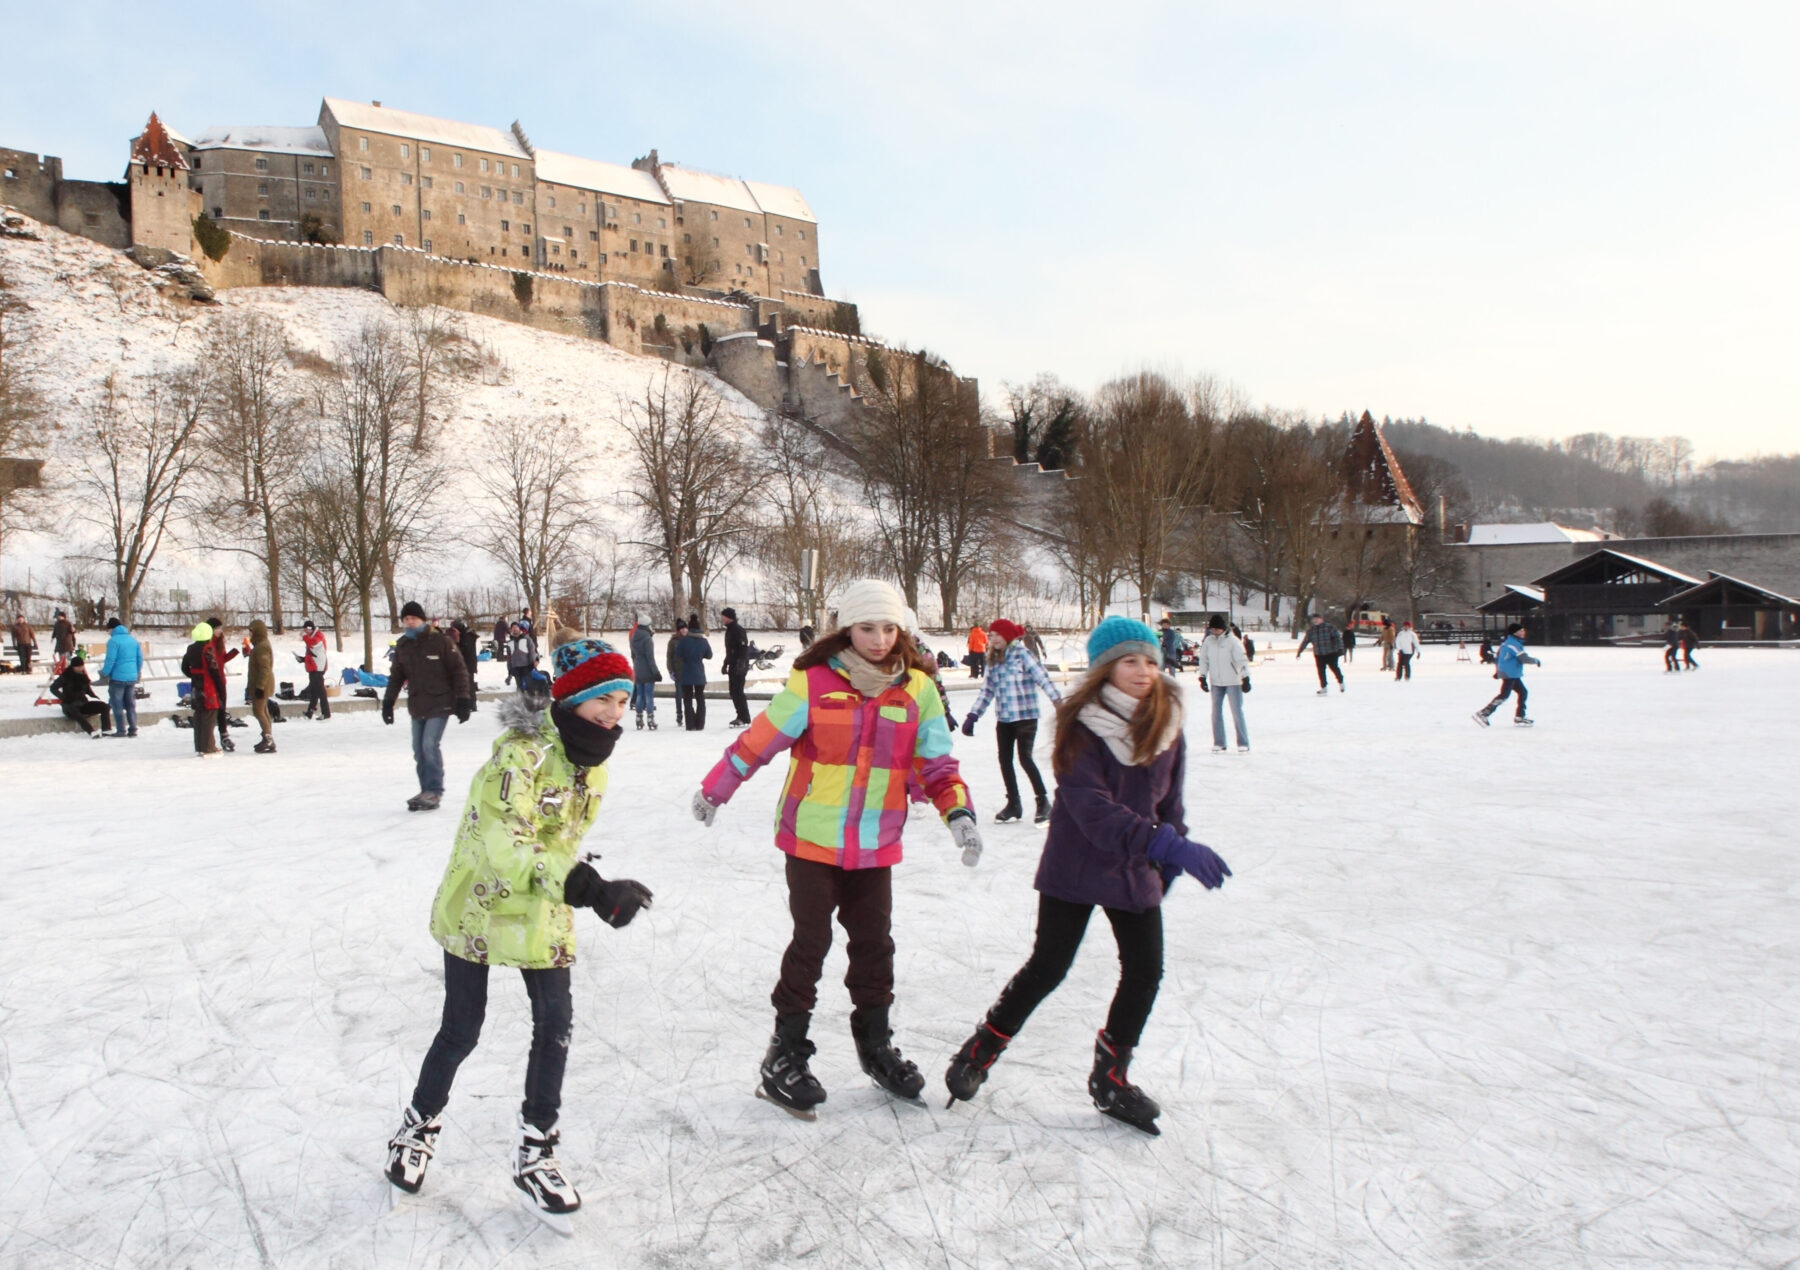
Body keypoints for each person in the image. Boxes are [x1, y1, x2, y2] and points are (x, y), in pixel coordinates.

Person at [384, 638, 654, 1223]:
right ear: (574, 696)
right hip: (481, 901)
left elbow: (557, 843)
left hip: (541, 901)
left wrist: (584, 886)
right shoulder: (519, 756)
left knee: (555, 1025)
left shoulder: (594, 765)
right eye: (604, 698)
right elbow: (504, 840)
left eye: (623, 701)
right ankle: (416, 1127)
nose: (614, 712)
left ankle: (536, 1148)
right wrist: (586, 885)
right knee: (461, 1030)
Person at [692, 578, 982, 1120]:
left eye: (889, 628)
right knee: (813, 940)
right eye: (867, 627)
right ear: (847, 628)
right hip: (812, 838)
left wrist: (957, 812)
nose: (878, 638)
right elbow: (759, 741)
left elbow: (937, 764)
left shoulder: (915, 690)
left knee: (875, 944)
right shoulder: (815, 681)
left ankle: (875, 1045)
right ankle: (785, 1053)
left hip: (876, 841)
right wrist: (716, 789)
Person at [942, 615, 1230, 1136]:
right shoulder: (1082, 727)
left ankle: (1111, 1079)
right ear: (1103, 670)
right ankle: (979, 1050)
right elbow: (1092, 811)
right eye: (1128, 661)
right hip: (1077, 866)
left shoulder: (1167, 724)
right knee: (1049, 966)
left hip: (1136, 866)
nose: (1143, 671)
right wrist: (1166, 845)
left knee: (1145, 972)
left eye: (1148, 660)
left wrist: (1169, 858)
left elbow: (1173, 803)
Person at [961, 617, 1063, 824]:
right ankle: (1014, 804)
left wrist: (1058, 702)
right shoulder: (993, 659)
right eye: (991, 635)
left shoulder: (1022, 655)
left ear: (1007, 636)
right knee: (1005, 760)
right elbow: (987, 691)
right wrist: (973, 715)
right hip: (1005, 717)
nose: (993, 639)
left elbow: (1042, 678)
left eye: (997, 635)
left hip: (1026, 715)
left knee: (1025, 758)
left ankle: (1043, 802)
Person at [382, 600, 474, 811]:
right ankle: (426, 790)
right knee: (418, 749)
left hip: (440, 702)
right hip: (417, 704)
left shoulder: (440, 641)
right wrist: (388, 703)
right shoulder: (403, 645)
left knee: (429, 745)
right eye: (406, 619)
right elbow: (396, 677)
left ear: (422, 620)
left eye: (413, 618)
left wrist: (463, 699)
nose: (409, 622)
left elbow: (459, 670)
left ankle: (434, 791)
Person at [1195, 614, 1249, 753]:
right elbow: (1204, 660)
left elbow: (1241, 660)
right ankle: (1219, 742)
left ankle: (1243, 743)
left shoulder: (1233, 641)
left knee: (1237, 712)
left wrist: (1245, 677)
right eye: (1212, 629)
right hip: (1216, 682)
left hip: (1233, 681)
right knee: (1215, 713)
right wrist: (1202, 676)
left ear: (1223, 628)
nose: (1215, 632)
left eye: (1217, 629)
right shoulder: (1208, 641)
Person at [1474, 622, 1540, 727]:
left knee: (1522, 692)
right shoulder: (1513, 644)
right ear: (1515, 633)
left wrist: (1498, 671)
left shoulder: (1507, 643)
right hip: (1510, 673)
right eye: (1521, 631)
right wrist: (1536, 660)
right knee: (1504, 695)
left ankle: (1520, 717)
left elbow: (1498, 658)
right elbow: (1523, 658)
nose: (1523, 632)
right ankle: (1484, 713)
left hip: (1510, 673)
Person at [98, 617, 142, 738]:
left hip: (117, 678)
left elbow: (110, 660)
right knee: (130, 704)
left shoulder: (113, 641)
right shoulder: (133, 640)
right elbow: (139, 658)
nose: (108, 632)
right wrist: (137, 672)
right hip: (131, 677)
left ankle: (121, 730)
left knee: (117, 704)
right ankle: (133, 729)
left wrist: (104, 673)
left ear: (112, 629)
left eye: (108, 630)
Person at [50, 653, 111, 737]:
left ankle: (106, 729)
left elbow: (86, 690)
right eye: (78, 667)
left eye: (81, 666)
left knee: (105, 706)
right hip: (69, 705)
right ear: (73, 667)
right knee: (74, 710)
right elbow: (53, 688)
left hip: (82, 703)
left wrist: (91, 695)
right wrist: (64, 698)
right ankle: (91, 731)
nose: (80, 668)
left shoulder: (83, 676)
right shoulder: (66, 676)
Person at [674, 620, 713, 731]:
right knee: (700, 698)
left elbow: (677, 655)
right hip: (699, 673)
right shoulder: (703, 641)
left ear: (690, 628)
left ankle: (690, 724)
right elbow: (709, 655)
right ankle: (700, 723)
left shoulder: (684, 641)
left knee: (687, 699)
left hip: (686, 673)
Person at [1295, 614, 1346, 694]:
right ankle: (1324, 687)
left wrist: (1339, 649)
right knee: (1321, 671)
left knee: (1334, 668)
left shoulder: (1329, 627)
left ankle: (1341, 682)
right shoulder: (1311, 630)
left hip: (1330, 652)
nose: (1315, 620)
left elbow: (1337, 638)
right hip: (1319, 653)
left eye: (1317, 619)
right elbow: (1305, 641)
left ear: (1321, 619)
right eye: (1314, 619)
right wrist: (1299, 652)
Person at [247, 619, 277, 753]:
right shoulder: (259, 645)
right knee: (263, 710)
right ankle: (267, 736)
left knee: (259, 711)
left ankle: (268, 738)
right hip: (261, 683)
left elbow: (264, 668)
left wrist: (259, 686)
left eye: (251, 631)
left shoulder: (261, 647)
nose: (249, 634)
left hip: (262, 684)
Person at [294, 619, 332, 719]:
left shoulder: (318, 636)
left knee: (320, 691)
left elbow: (312, 644)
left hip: (318, 668)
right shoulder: (311, 637)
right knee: (314, 690)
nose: (305, 633)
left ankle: (326, 713)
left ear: (310, 629)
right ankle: (310, 711)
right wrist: (302, 659)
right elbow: (312, 654)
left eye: (306, 630)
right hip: (313, 667)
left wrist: (304, 636)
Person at [628, 616, 661, 730]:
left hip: (637, 669)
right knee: (649, 695)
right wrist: (656, 672)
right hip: (647, 670)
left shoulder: (633, 637)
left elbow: (633, 655)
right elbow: (650, 658)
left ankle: (638, 718)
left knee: (640, 695)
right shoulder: (647, 639)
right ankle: (650, 718)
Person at [721, 606, 752, 728]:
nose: (722, 619)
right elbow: (730, 650)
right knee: (733, 691)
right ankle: (741, 715)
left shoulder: (738, 630)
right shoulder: (729, 630)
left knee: (737, 691)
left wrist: (741, 662)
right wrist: (725, 663)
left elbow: (743, 647)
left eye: (724, 616)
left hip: (739, 665)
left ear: (729, 617)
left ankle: (744, 717)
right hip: (733, 663)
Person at [665, 618, 688, 728]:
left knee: (688, 694)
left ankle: (688, 713)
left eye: (685, 628)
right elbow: (669, 657)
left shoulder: (689, 640)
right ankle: (679, 714)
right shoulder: (673, 642)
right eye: (681, 629)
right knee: (679, 694)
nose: (684, 630)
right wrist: (670, 670)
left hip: (689, 671)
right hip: (678, 672)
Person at [452, 619, 481, 705]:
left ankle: (472, 703)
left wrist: (457, 643)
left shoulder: (467, 636)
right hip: (468, 663)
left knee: (469, 684)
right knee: (468, 683)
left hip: (468, 663)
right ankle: (471, 703)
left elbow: (464, 650)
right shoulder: (467, 635)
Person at [506, 619, 540, 693]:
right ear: (511, 630)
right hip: (515, 667)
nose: (514, 629)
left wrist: (533, 663)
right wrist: (509, 671)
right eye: (513, 628)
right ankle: (521, 701)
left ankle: (532, 701)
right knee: (519, 686)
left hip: (526, 666)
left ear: (519, 628)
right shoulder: (509, 642)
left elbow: (532, 651)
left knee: (529, 685)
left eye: (516, 627)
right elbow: (509, 658)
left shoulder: (526, 638)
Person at [51, 609, 76, 674]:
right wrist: (53, 637)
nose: (59, 617)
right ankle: (63, 671)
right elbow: (55, 632)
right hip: (59, 644)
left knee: (67, 658)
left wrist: (73, 630)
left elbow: (72, 631)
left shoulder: (67, 623)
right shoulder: (57, 624)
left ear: (63, 617)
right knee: (61, 658)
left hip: (67, 643)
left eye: (60, 616)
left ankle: (70, 671)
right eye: (58, 616)